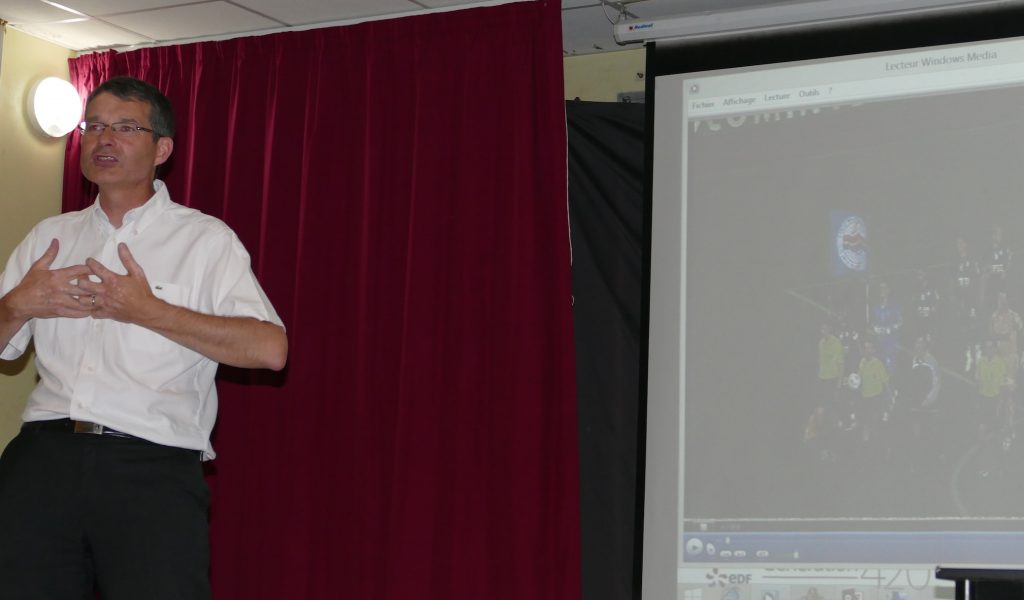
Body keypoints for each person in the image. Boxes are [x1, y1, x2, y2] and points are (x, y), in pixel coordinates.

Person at [0, 77, 287, 599]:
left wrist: (149, 311)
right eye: (93, 126)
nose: (104, 139)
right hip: (42, 460)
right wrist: (16, 305)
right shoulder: (48, 237)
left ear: (162, 149)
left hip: (151, 470)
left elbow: (270, 350)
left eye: (126, 127)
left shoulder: (205, 240)